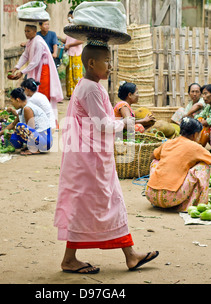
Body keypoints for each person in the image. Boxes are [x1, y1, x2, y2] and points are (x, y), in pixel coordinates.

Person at [54, 43, 158, 274]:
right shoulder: (90, 89)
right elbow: (104, 125)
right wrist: (135, 123)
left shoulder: (90, 86)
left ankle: (128, 255)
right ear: (92, 63)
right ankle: (77, 259)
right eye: (107, 60)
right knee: (101, 203)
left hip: (90, 158)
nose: (111, 65)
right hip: (88, 160)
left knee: (98, 203)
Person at [145, 117, 211, 212]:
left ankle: (156, 190)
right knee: (203, 166)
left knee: (156, 162)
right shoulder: (195, 147)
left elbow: (153, 156)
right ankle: (193, 204)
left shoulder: (168, 143)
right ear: (195, 134)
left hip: (151, 195)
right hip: (172, 198)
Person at [9, 24, 63, 128]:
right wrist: (16, 68)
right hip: (35, 70)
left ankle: (49, 123)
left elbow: (35, 61)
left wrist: (22, 72)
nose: (26, 33)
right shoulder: (30, 42)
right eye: (25, 31)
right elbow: (25, 56)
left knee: (42, 95)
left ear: (34, 32)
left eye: (28, 31)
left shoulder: (38, 42)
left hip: (43, 71)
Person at [0, 88, 52, 155]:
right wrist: (0, 133)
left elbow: (31, 128)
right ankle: (31, 147)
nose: (12, 104)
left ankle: (34, 149)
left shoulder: (27, 108)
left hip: (45, 141)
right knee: (13, 138)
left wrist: (17, 132)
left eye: (12, 101)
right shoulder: (22, 110)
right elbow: (13, 124)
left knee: (20, 126)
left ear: (17, 100)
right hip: (40, 138)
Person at [59, 11, 84, 99]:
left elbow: (82, 40)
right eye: (68, 17)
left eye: (71, 17)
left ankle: (78, 94)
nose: (70, 19)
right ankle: (70, 94)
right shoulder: (69, 28)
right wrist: (58, 38)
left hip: (77, 54)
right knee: (69, 74)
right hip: (69, 54)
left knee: (76, 74)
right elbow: (67, 40)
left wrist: (69, 45)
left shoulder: (79, 28)